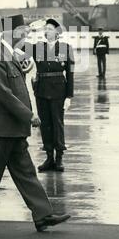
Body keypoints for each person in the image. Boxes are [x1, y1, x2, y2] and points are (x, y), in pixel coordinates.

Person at [0, 14, 70, 234]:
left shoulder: (9, 54)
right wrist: (28, 115)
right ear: (12, 33)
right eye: (23, 32)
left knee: (26, 172)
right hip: (0, 126)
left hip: (12, 127)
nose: (26, 36)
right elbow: (3, 93)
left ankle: (43, 215)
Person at [22, 18, 74, 172]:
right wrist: (30, 33)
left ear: (57, 33)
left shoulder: (65, 48)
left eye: (50, 29)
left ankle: (59, 159)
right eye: (45, 29)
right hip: (42, 90)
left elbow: (70, 73)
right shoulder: (38, 47)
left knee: (57, 124)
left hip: (59, 91)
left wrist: (69, 96)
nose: (46, 31)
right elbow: (23, 48)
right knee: (45, 124)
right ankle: (49, 158)